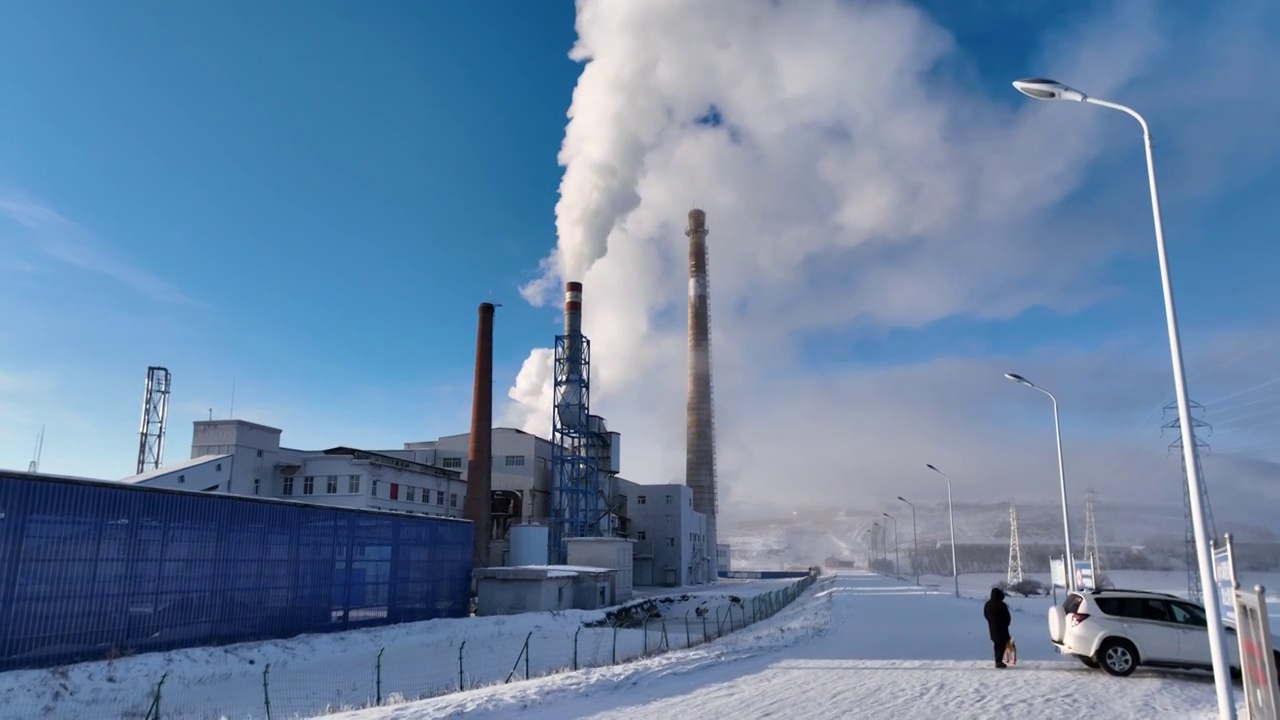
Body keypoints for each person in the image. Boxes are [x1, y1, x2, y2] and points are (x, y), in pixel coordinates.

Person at [983, 587, 1012, 668]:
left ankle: (998, 660)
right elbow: (1007, 617)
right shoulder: (1002, 605)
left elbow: (986, 615)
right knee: (1002, 645)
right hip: (1002, 628)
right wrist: (1006, 623)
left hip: (992, 627)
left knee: (997, 644)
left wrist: (991, 621)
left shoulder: (988, 604)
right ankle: (999, 661)